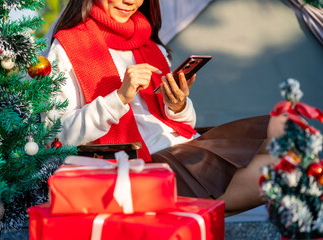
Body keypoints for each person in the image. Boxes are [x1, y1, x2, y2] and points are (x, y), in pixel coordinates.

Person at [47, 0, 287, 216]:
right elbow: (55, 136)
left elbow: (181, 125)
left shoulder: (150, 45)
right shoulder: (67, 46)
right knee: (284, 170)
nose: (130, 1)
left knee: (286, 128)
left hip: (187, 146)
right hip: (148, 166)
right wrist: (119, 98)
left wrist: (178, 104)